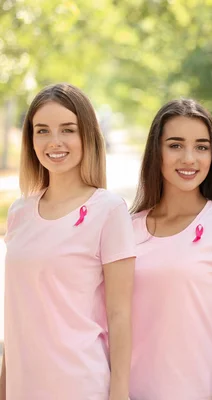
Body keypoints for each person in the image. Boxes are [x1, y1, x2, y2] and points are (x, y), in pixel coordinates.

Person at [1, 83, 135, 399]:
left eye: (67, 130)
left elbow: (120, 315)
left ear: (86, 135)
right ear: (30, 139)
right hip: (24, 386)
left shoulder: (109, 210)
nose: (54, 141)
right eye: (42, 131)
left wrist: (119, 394)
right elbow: (16, 313)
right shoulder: (20, 212)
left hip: (80, 385)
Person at [128, 99, 212, 400]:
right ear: (156, 152)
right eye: (175, 145)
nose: (189, 158)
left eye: (202, 147)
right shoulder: (126, 229)